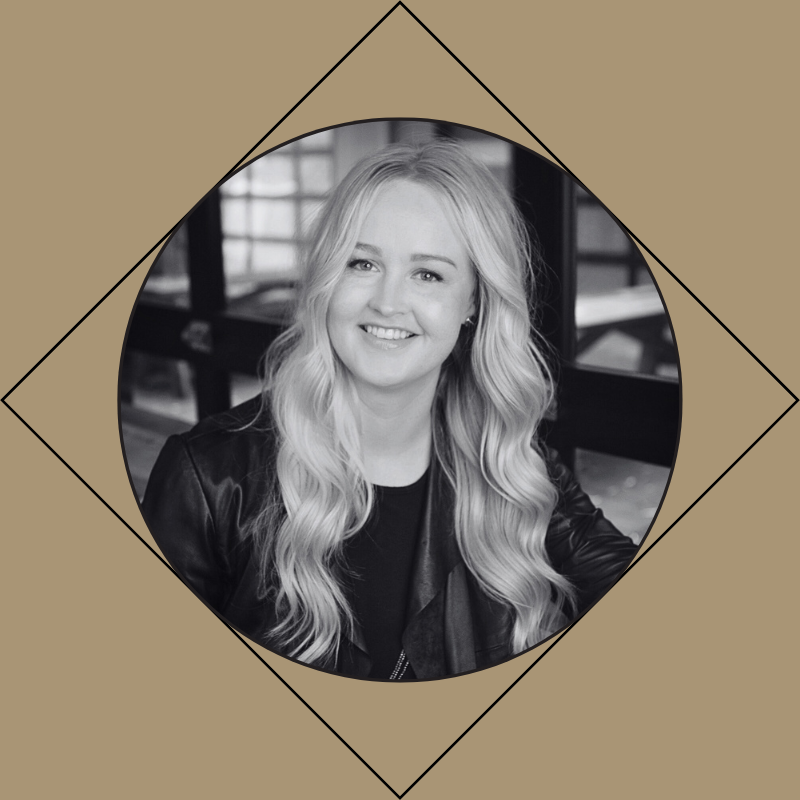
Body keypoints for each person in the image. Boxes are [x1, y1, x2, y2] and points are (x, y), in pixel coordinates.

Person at [142, 139, 638, 681]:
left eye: (428, 274)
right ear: (326, 279)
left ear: (473, 302)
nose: (387, 302)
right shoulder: (206, 477)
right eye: (362, 263)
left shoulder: (510, 464)